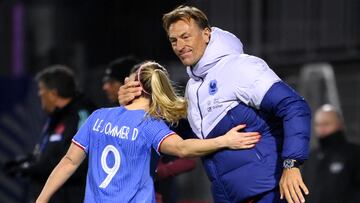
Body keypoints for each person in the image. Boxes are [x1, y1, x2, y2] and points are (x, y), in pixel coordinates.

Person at [118, 5, 312, 203]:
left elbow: (294, 106)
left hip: (269, 193)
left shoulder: (239, 66)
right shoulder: (193, 87)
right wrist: (131, 106)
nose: (180, 46)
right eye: (174, 40)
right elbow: (180, 138)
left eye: (186, 36)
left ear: (207, 34)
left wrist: (292, 164)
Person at [35, 61, 261, 203]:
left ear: (133, 86)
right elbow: (183, 149)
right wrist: (225, 140)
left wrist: (42, 199)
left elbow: (68, 162)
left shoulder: (98, 117)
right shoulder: (149, 126)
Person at [102, 58, 196, 203]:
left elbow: (189, 158)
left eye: (112, 82)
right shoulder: (110, 117)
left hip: (158, 194)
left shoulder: (163, 118)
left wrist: (158, 171)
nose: (106, 87)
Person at [4, 65, 96, 202]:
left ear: (53, 94)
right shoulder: (55, 117)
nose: (39, 94)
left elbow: (79, 161)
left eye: (41, 90)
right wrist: (25, 163)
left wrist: (34, 168)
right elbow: (46, 154)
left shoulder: (83, 115)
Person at [302, 104, 360, 203]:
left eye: (326, 124)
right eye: (318, 124)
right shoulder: (311, 157)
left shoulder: (354, 154)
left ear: (339, 124)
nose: (321, 129)